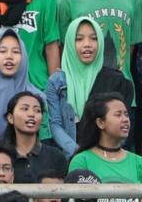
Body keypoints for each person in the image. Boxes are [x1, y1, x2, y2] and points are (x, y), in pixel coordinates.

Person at [47, 16, 135, 157]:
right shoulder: (56, 81)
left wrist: (100, 155)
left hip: (106, 157)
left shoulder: (115, 80)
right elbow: (55, 125)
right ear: (69, 43)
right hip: (70, 157)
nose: (87, 44)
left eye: (94, 38)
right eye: (79, 39)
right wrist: (78, 153)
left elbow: (122, 126)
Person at [69, 94, 142, 187]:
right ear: (100, 122)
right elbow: (76, 200)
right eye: (118, 115)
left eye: (126, 114)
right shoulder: (82, 161)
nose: (126, 120)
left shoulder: (138, 162)